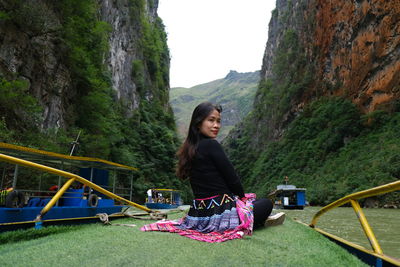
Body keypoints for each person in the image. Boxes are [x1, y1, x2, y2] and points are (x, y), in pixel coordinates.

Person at [141, 102, 284, 242]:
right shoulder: (211, 145)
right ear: (198, 123)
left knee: (255, 202)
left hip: (199, 215)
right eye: (211, 120)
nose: (216, 126)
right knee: (265, 203)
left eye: (218, 121)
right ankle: (256, 221)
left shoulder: (190, 149)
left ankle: (256, 219)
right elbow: (232, 179)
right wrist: (242, 198)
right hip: (222, 213)